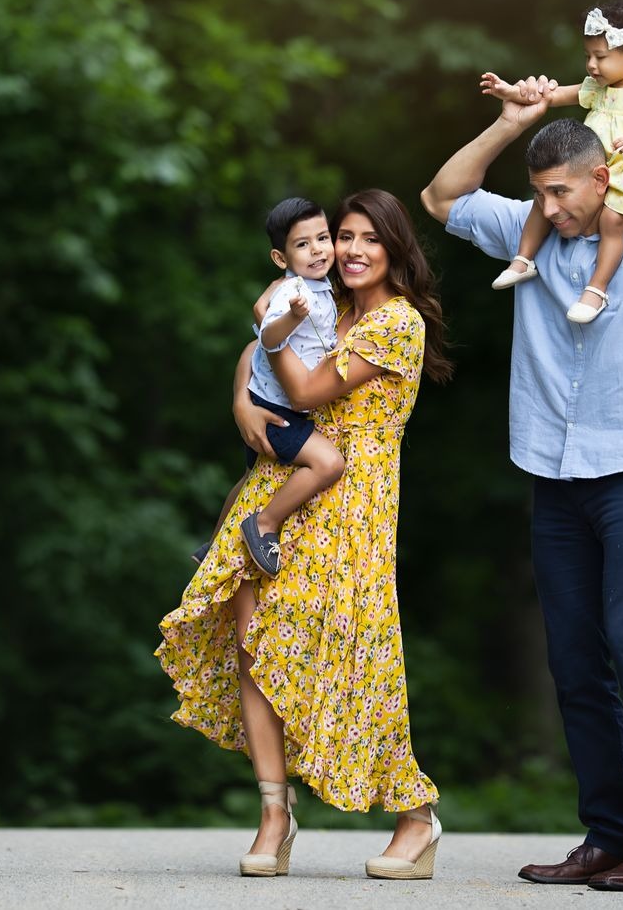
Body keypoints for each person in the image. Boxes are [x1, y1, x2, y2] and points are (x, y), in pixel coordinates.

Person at [419, 80, 623, 892]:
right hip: (552, 472)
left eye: (560, 191)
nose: (548, 205)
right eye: (538, 194)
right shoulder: (530, 236)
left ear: (602, 177)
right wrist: (510, 125)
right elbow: (441, 196)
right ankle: (607, 836)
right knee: (574, 660)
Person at [157, 189, 455, 880]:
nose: (350, 250)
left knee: (356, 659)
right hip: (284, 479)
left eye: (367, 240)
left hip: (353, 496)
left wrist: (273, 330)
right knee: (252, 641)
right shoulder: (328, 302)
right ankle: (273, 812)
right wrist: (240, 394)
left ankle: (415, 815)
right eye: (342, 236)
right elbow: (256, 358)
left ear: (394, 249)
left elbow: (307, 391)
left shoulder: (396, 324)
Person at [480, 0, 623, 325]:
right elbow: (554, 96)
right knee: (544, 199)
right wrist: (510, 92)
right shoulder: (598, 87)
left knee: (612, 221)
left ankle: (596, 288)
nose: (591, 65)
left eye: (600, 57)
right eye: (588, 56)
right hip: (591, 169)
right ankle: (523, 258)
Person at [196, 197, 347, 576]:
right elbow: (266, 337)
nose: (317, 250)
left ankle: (213, 548)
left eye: (323, 238)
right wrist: (292, 317)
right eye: (302, 244)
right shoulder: (293, 292)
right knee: (329, 463)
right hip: (278, 409)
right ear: (281, 258)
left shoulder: (318, 285)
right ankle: (264, 525)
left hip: (270, 398)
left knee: (248, 478)